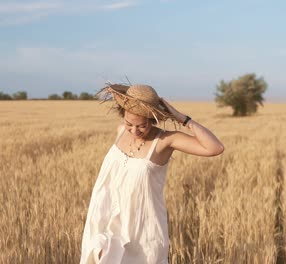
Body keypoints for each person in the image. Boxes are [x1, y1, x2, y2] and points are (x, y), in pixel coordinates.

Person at [80, 84, 224, 264]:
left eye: (142, 125)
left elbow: (215, 148)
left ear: (153, 118)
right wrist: (100, 229)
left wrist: (182, 119)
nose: (134, 131)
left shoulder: (165, 141)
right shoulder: (120, 132)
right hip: (108, 226)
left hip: (143, 231)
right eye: (129, 123)